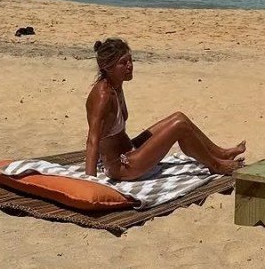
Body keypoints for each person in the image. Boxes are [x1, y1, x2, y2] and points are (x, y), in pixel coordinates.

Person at [85, 38, 246, 180]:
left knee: (179, 117)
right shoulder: (103, 96)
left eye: (130, 60)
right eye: (123, 62)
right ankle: (216, 166)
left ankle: (221, 154)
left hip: (130, 150)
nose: (130, 66)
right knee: (179, 127)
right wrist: (89, 183)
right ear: (108, 67)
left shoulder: (116, 85)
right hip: (122, 166)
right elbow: (92, 140)